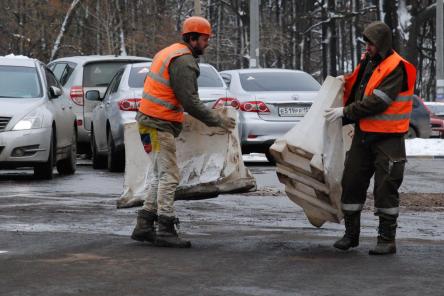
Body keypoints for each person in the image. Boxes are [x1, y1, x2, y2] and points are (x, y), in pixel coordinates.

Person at [131, 16, 236, 248]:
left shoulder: (169, 52)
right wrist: (217, 120)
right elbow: (189, 101)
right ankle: (166, 228)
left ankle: (144, 224)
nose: (207, 43)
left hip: (149, 123)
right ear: (192, 38)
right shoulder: (183, 61)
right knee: (170, 176)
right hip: (158, 125)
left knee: (161, 175)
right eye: (205, 38)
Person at [324, 21, 416, 255]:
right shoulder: (368, 63)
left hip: (389, 138)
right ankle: (351, 235)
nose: (367, 47)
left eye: (371, 43)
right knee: (352, 182)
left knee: (386, 187)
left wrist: (345, 112)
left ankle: (386, 239)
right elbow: (357, 90)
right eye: (366, 42)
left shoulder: (396, 67)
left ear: (382, 44)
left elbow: (379, 101)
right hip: (364, 135)